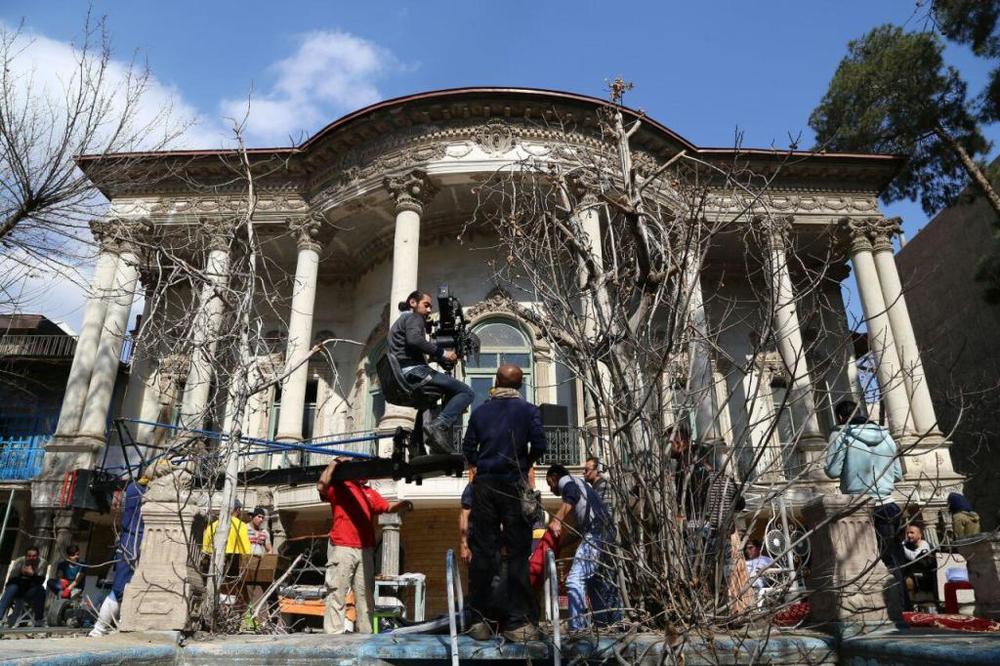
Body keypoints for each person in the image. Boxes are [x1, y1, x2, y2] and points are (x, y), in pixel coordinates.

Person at [462, 363, 547, 641]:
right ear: (520, 386)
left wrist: (482, 466)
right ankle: (516, 623)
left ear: (495, 380)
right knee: (518, 554)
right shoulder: (529, 410)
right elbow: (541, 445)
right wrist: (524, 464)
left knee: (483, 553)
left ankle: (479, 622)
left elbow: (468, 449)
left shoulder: (480, 411)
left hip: (485, 486)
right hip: (513, 484)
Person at [316, 457, 412, 634]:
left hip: (365, 549)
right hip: (343, 546)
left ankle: (365, 635)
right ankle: (333, 636)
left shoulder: (368, 492)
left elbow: (387, 507)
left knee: (366, 595)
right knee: (337, 592)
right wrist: (334, 463)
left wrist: (402, 504)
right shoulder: (341, 486)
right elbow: (321, 486)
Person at [90, 460, 173, 637]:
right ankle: (99, 629)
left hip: (132, 541)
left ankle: (119, 625)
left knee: (129, 588)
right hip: (136, 543)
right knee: (120, 588)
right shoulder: (146, 492)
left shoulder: (134, 488)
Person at [388, 289, 475, 452]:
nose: (429, 310)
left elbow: (406, 351)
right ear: (413, 303)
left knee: (426, 402)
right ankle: (439, 426)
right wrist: (443, 353)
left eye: (430, 307)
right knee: (466, 392)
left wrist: (433, 357)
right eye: (426, 305)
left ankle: (416, 444)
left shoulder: (400, 321)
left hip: (407, 372)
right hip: (415, 372)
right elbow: (414, 340)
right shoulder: (414, 317)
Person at [824, 400, 904, 574]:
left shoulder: (842, 435)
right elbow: (898, 474)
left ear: (839, 417)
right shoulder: (886, 436)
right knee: (894, 564)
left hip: (859, 508)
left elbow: (832, 470)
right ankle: (901, 601)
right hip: (890, 505)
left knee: (865, 566)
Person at [546, 464, 620, 632]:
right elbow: (579, 532)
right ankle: (604, 626)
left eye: (549, 482)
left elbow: (571, 494)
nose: (550, 489)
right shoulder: (583, 489)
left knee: (574, 580)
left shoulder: (567, 481)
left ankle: (577, 629)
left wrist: (557, 519)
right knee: (595, 581)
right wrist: (561, 546)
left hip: (598, 531)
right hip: (605, 532)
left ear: (555, 476)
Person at [0, 546, 48, 627]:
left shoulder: (42, 563)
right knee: (12, 587)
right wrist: (22, 575)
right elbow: (11, 581)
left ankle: (39, 619)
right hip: (17, 589)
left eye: (34, 556)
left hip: (30, 591)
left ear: (38, 556)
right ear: (26, 556)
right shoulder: (20, 561)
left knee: (40, 589)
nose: (31, 558)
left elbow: (40, 581)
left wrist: (32, 574)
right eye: (29, 556)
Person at [900, 523, 937, 607]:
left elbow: (914, 557)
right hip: (914, 577)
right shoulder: (908, 545)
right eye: (907, 533)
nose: (909, 535)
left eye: (912, 533)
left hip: (925, 579)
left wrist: (902, 547)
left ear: (919, 535)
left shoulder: (924, 545)